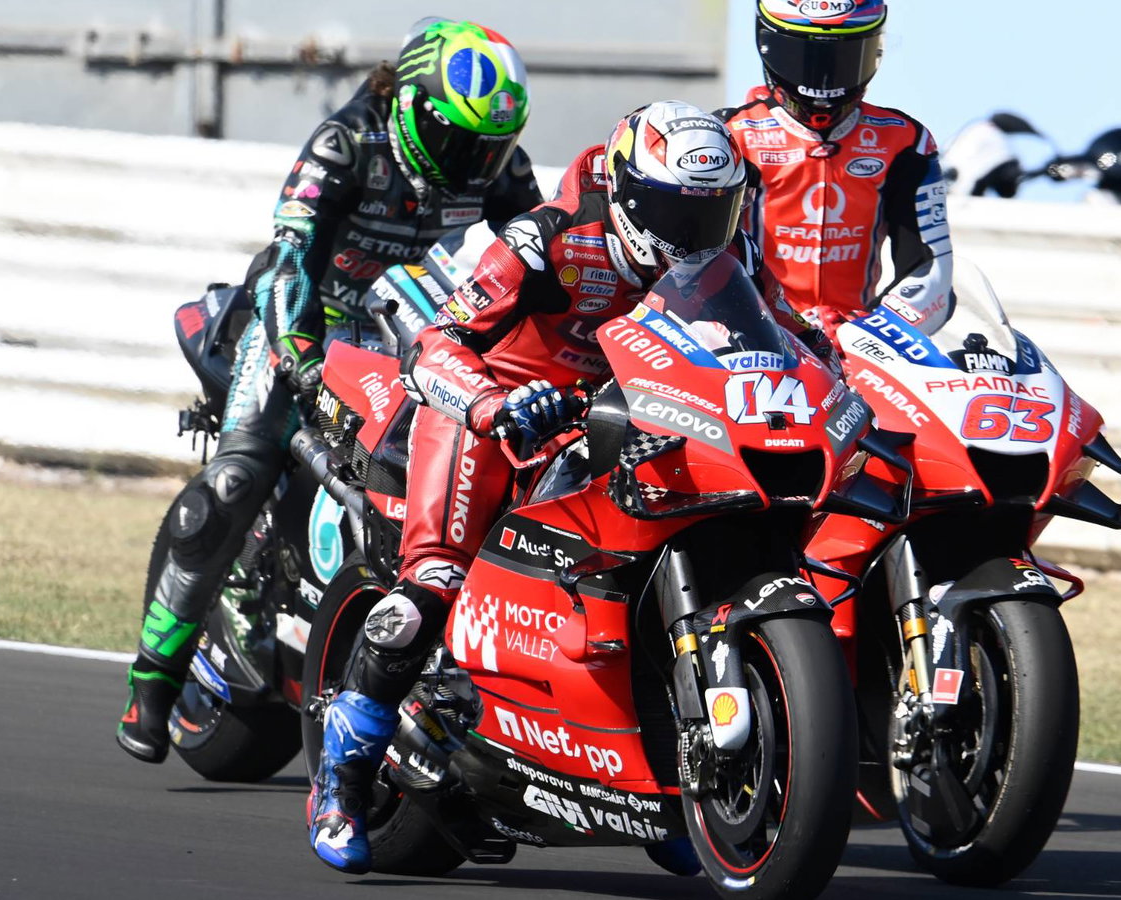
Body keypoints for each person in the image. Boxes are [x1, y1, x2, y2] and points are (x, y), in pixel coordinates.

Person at [306, 100, 828, 875]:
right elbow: (438, 343)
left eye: (713, 212)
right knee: (434, 585)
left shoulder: (732, 254)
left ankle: (661, 772)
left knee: (663, 561)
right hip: (497, 419)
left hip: (625, 422)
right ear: (626, 193)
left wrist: (837, 385)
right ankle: (340, 783)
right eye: (674, 212)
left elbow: (793, 336)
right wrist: (493, 404)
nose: (693, 233)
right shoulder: (548, 238)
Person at [116, 17, 540, 766]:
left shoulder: (495, 171)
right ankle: (153, 681)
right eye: (460, 141)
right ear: (414, 106)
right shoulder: (346, 144)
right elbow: (289, 257)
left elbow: (542, 257)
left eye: (491, 147)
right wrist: (301, 357)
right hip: (301, 316)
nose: (475, 163)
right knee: (237, 477)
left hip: (401, 322)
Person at [720, 0, 956, 333]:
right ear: (767, 43)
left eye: (843, 59)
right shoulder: (730, 135)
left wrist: (873, 332)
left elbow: (932, 273)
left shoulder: (906, 142)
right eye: (803, 59)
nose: (824, 79)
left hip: (858, 340)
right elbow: (698, 263)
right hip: (753, 334)